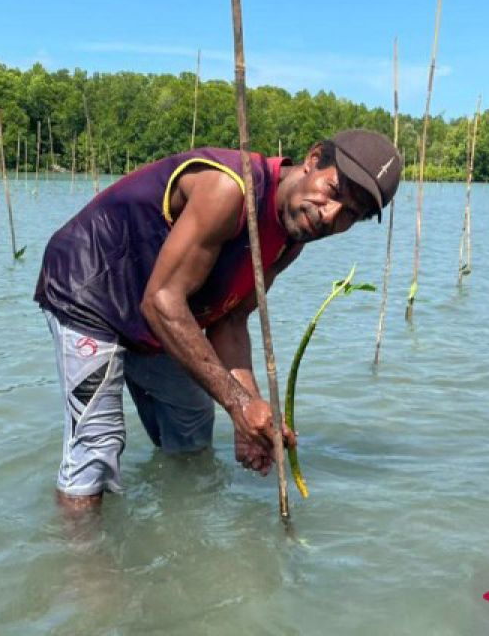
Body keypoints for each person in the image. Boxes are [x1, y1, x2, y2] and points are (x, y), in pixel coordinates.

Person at [34, 129, 401, 511]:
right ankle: (83, 565)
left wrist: (253, 419)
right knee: (97, 444)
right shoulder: (230, 188)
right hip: (92, 288)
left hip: (161, 311)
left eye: (351, 214)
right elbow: (161, 301)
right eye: (335, 191)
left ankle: (182, 542)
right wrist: (239, 404)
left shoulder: (292, 237)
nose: (329, 215)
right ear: (313, 159)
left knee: (192, 430)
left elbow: (230, 320)